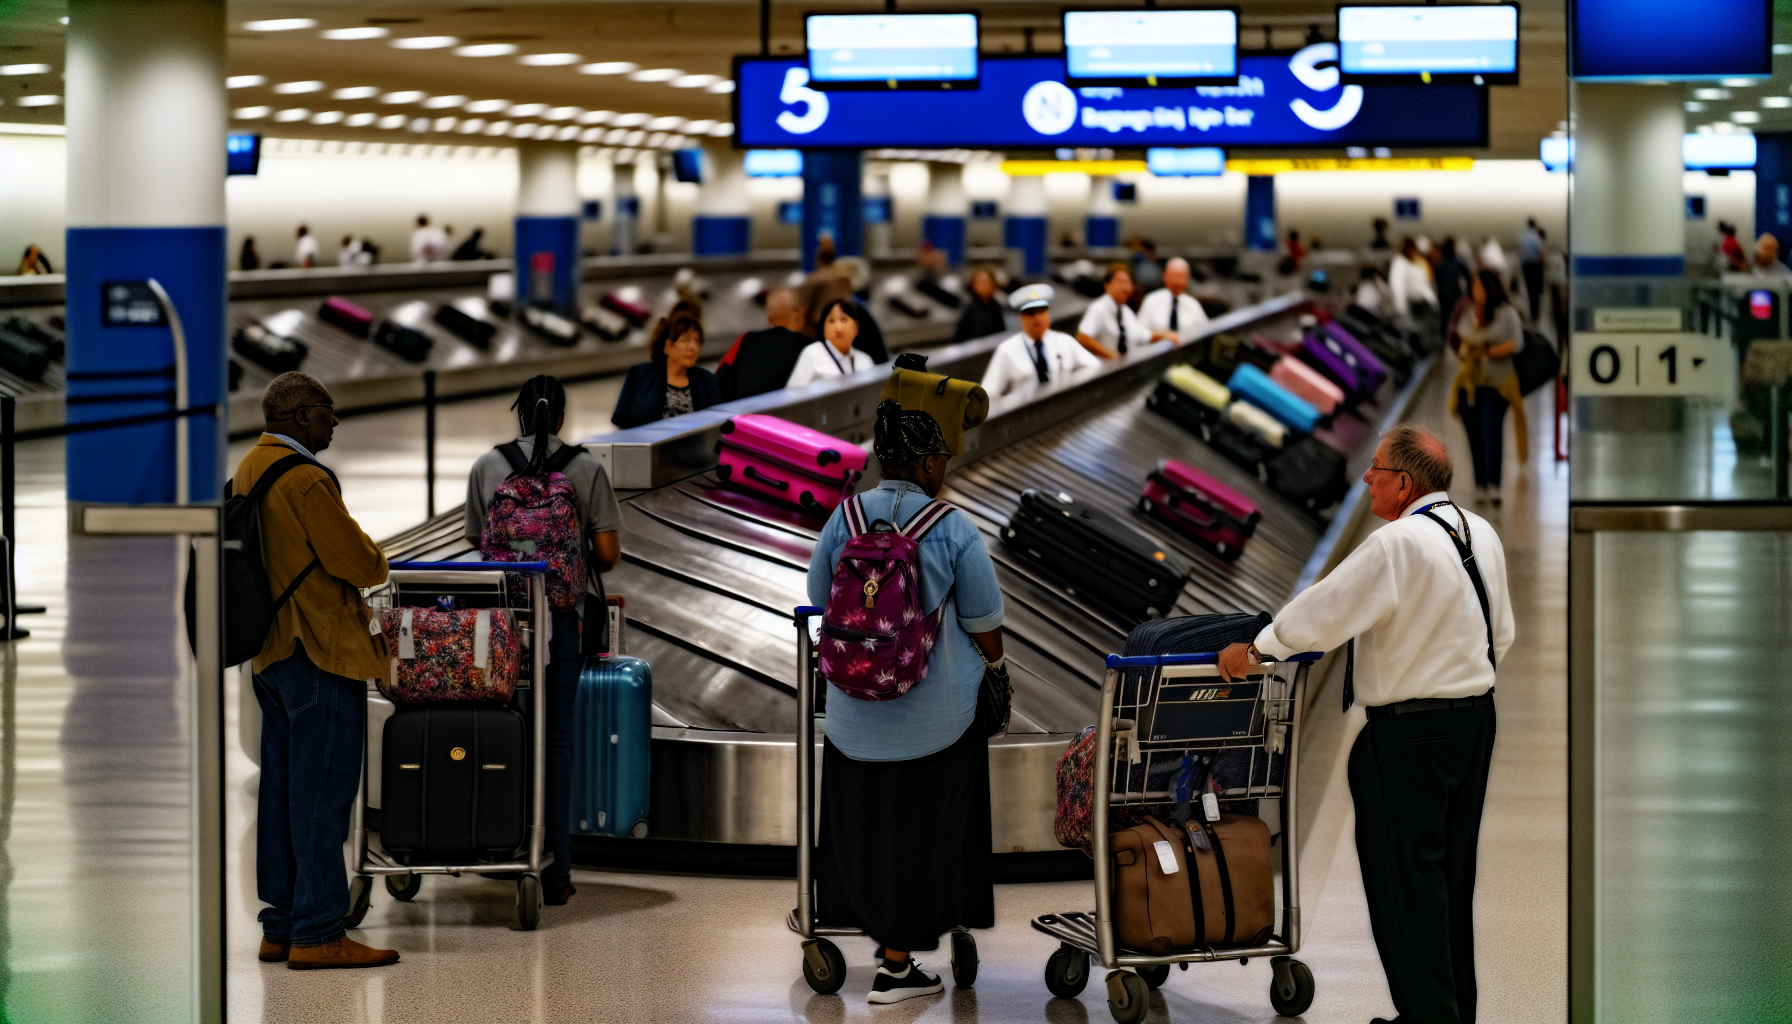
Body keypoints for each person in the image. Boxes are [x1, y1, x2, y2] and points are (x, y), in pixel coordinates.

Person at [1217, 425, 1511, 1024]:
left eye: (1374, 469)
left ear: (1403, 483)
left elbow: (1326, 611)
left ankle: (1429, 1017)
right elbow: (1499, 635)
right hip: (1474, 722)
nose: (1365, 477)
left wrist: (1257, 650)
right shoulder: (1479, 533)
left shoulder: (1396, 544)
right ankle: (1453, 1012)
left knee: (1404, 882)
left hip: (1407, 737)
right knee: (1450, 877)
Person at [808, 400, 1005, 1005]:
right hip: (933, 725)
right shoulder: (951, 527)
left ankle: (845, 915)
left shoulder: (845, 517)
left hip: (850, 718)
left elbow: (818, 597)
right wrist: (995, 669)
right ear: (923, 463)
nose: (943, 468)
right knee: (931, 828)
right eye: (941, 458)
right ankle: (898, 969)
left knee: (865, 824)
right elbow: (985, 623)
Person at [241, 372, 398, 970]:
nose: (333, 424)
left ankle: (279, 925)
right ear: (303, 415)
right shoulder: (307, 480)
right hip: (320, 651)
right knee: (322, 798)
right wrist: (373, 554)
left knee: (282, 795)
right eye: (329, 413)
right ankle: (319, 932)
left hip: (272, 653)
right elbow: (361, 563)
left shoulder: (250, 467)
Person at [466, 376, 623, 906]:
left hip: (501, 628)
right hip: (561, 623)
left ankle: (497, 851)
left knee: (504, 734)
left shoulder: (487, 467)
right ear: (559, 417)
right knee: (554, 743)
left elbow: (476, 540)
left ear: (519, 415)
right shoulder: (586, 468)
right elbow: (607, 554)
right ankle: (554, 875)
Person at [1451, 270, 1526, 506]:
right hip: (1471, 384)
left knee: (1489, 430)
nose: (1475, 292)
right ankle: (1480, 485)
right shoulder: (1471, 314)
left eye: (1479, 287)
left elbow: (1516, 344)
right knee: (1474, 434)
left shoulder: (1507, 314)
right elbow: (1462, 338)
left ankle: (1494, 485)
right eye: (1473, 287)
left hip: (1498, 383)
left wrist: (1485, 350)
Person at [981, 283, 1100, 415]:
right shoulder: (1006, 350)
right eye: (1031, 314)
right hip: (1025, 416)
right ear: (1022, 318)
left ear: (1048, 315)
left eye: (1041, 312)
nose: (1037, 319)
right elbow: (989, 394)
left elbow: (1094, 367)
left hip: (1064, 412)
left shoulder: (1064, 341)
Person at [613, 311, 722, 427]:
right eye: (685, 340)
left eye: (697, 341)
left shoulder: (709, 382)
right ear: (667, 347)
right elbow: (620, 421)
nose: (693, 347)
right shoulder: (639, 375)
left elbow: (718, 424)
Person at [719, 288, 812, 400]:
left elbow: (721, 378)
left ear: (769, 317)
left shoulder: (745, 340)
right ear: (800, 313)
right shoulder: (809, 347)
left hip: (743, 414)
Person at [787, 299, 879, 388]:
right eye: (832, 321)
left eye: (844, 320)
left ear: (857, 326)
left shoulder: (865, 360)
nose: (838, 328)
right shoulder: (812, 353)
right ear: (823, 326)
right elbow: (792, 396)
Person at [1074, 263, 1142, 360]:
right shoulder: (1098, 308)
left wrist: (1165, 335)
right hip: (1106, 369)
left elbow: (1143, 335)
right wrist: (1109, 356)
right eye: (1121, 282)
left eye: (1128, 283)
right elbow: (1083, 338)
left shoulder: (1126, 311)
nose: (1125, 288)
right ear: (1107, 285)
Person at [1137, 256, 1209, 345]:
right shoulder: (1151, 300)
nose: (1177, 281)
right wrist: (1162, 336)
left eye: (1181, 276)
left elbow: (1206, 333)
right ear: (1164, 276)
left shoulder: (1193, 304)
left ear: (1187, 279)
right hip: (1156, 354)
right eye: (1174, 276)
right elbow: (1138, 334)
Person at [798, 235, 856, 337]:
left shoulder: (817, 279)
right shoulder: (844, 278)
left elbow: (803, 304)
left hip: (820, 326)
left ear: (818, 257)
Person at [953, 266, 1008, 342]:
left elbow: (1001, 332)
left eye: (987, 282)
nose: (984, 286)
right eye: (980, 282)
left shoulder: (995, 306)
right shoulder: (969, 308)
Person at [1434, 238, 1474, 340]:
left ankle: (1446, 340)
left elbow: (1437, 283)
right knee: (1457, 320)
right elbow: (1469, 279)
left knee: (1445, 319)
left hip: (1443, 297)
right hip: (1456, 295)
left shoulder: (1439, 266)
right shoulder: (1459, 264)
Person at [1389, 237, 1438, 313]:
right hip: (1411, 304)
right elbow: (1397, 285)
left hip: (1421, 302)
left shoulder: (1420, 263)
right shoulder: (1400, 263)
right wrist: (1400, 306)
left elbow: (1424, 285)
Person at [1518, 218, 1546, 323]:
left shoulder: (1521, 236)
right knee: (1537, 291)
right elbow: (1540, 253)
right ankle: (1536, 314)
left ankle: (1532, 312)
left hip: (1525, 266)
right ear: (1535, 225)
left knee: (1530, 290)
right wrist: (1544, 265)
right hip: (1535, 266)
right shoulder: (1536, 236)